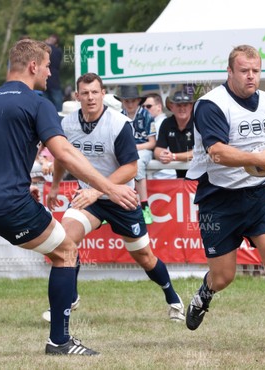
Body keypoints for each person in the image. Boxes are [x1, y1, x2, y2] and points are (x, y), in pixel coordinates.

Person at [0, 39, 139, 358]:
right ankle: (59, 341)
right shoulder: (38, 102)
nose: (49, 73)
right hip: (8, 203)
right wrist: (110, 187)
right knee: (65, 251)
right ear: (33, 66)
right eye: (47, 66)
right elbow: (63, 152)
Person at [44, 72, 185, 323]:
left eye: (95, 92)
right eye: (85, 93)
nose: (90, 98)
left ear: (103, 95)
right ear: (77, 97)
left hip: (122, 198)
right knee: (64, 241)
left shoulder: (118, 124)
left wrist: (98, 190)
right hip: (90, 200)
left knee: (145, 258)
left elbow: (131, 168)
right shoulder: (67, 124)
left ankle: (172, 297)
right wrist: (55, 186)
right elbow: (62, 158)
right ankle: (70, 297)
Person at [185, 45, 265, 345]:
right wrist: (259, 159)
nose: (251, 77)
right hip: (219, 199)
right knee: (224, 277)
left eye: (256, 71)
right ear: (230, 71)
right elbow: (218, 152)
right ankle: (204, 293)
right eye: (244, 71)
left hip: (259, 195)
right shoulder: (211, 104)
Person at [117, 85, 156, 224]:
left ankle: (145, 206)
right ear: (122, 101)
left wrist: (134, 147)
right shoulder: (119, 116)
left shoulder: (147, 115)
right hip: (125, 150)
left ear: (138, 100)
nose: (130, 104)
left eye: (133, 100)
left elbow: (152, 143)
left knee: (137, 163)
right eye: (127, 101)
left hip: (143, 149)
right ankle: (110, 205)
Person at [154, 91, 195, 178]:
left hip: (201, 176)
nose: (182, 108)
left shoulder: (198, 123)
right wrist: (162, 155)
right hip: (179, 176)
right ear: (171, 107)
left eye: (185, 105)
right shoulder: (166, 123)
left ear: (191, 107)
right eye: (178, 105)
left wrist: (173, 157)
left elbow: (200, 152)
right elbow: (158, 149)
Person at [144, 92, 175, 179]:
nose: (145, 109)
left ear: (159, 107)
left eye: (148, 106)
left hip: (165, 173)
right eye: (143, 107)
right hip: (157, 172)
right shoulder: (153, 123)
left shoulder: (161, 123)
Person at [43, 34, 63, 112]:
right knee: (58, 106)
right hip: (54, 81)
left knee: (46, 105)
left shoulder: (45, 50)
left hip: (45, 80)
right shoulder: (58, 51)